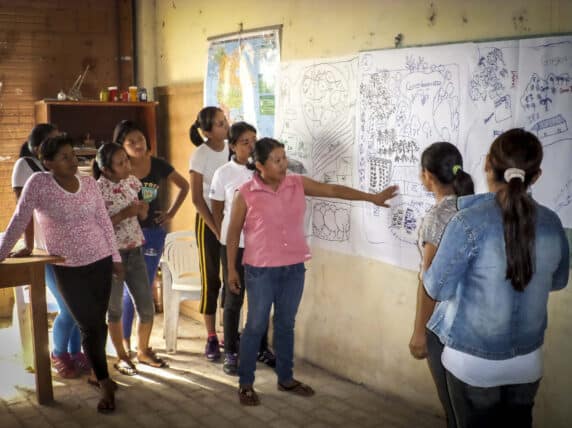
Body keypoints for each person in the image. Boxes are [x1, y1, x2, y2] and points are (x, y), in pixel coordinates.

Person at [226, 138, 399, 406]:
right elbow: (233, 231)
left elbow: (332, 190)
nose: (283, 164)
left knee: (285, 323)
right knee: (256, 325)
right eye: (276, 160)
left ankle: (285, 379)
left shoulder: (296, 183)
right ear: (259, 165)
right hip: (260, 270)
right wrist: (231, 270)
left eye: (284, 158)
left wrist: (371, 198)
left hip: (294, 267)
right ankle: (246, 383)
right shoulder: (245, 192)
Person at [423, 128, 569, 428]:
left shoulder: (466, 222)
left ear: (488, 164)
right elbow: (558, 282)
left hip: (472, 363)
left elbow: (436, 287)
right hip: (527, 363)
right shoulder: (553, 224)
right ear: (536, 175)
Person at [0, 135, 122, 413]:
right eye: (64, 157)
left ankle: (97, 372)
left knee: (98, 323)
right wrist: (1, 253)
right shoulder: (39, 184)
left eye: (73, 155)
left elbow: (102, 220)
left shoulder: (89, 183)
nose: (72, 161)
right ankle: (105, 383)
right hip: (67, 266)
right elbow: (19, 219)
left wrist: (115, 257)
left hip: (100, 259)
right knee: (89, 324)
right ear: (48, 162)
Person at [11, 124, 90, 379]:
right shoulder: (26, 167)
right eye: (54, 141)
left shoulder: (65, 172)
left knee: (80, 305)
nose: (63, 147)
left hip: (72, 249)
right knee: (69, 308)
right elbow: (23, 213)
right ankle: (58, 353)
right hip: (45, 249)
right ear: (39, 150)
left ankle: (75, 352)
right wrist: (28, 245)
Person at [408, 142, 474, 428]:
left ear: (427, 176)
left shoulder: (436, 218)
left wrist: (419, 332)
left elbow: (431, 282)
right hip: (471, 317)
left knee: (454, 410)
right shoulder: (474, 207)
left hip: (442, 324)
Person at [113, 120, 189, 353]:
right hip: (126, 237)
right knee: (129, 291)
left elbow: (184, 186)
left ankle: (141, 346)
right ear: (121, 146)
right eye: (131, 142)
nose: (137, 145)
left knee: (143, 288)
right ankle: (125, 344)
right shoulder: (118, 169)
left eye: (141, 140)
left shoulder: (158, 165)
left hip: (153, 234)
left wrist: (170, 214)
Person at [93, 143, 167, 375]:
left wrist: (142, 210)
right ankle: (122, 357)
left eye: (126, 160)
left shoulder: (133, 182)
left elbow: (142, 214)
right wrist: (126, 213)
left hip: (135, 250)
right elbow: (97, 227)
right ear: (106, 169)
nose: (127, 165)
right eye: (120, 162)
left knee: (146, 307)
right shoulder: (96, 191)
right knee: (114, 310)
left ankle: (143, 350)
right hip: (110, 256)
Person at [210, 122, 275, 375]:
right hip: (235, 245)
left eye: (254, 141)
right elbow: (216, 208)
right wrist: (223, 234)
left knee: (260, 300)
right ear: (233, 145)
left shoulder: (261, 170)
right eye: (245, 141)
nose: (251, 146)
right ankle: (231, 353)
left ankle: (260, 347)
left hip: (261, 245)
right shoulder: (224, 173)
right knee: (233, 298)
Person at [189, 106, 229, 361]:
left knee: (232, 278)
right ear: (206, 131)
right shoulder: (200, 155)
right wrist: (215, 228)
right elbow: (196, 198)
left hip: (231, 221)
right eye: (219, 124)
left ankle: (229, 333)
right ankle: (211, 336)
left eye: (225, 121)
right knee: (211, 279)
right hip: (208, 222)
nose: (225, 126)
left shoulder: (231, 149)